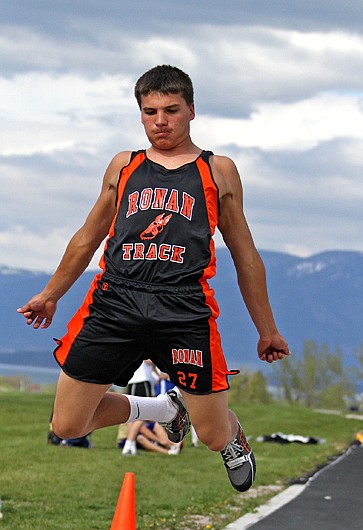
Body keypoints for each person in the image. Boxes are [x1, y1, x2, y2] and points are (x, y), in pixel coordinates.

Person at [17, 64, 289, 492]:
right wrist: (50, 294)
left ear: (191, 111)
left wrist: (267, 330)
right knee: (68, 424)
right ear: (140, 113)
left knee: (213, 435)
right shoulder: (124, 166)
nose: (159, 121)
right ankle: (163, 410)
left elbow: (246, 255)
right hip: (115, 301)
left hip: (182, 308)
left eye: (170, 110)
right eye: (149, 112)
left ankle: (231, 434)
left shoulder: (218, 171)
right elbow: (88, 236)